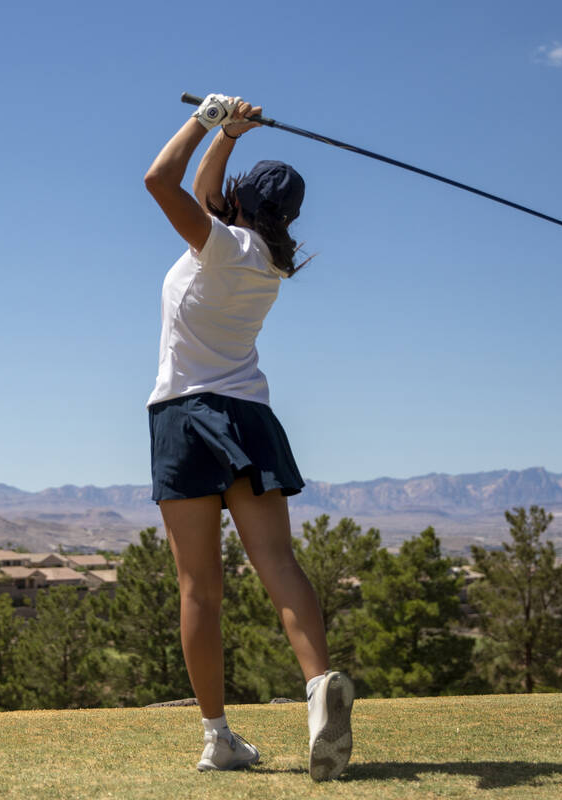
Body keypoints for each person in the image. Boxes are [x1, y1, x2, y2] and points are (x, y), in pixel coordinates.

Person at [143, 93, 354, 781]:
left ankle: (218, 736)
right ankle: (320, 686)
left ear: (241, 204)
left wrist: (203, 121)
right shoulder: (268, 262)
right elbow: (206, 193)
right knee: (280, 565)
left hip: (186, 417)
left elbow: (160, 182)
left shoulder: (220, 245)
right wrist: (231, 134)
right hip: (251, 418)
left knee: (199, 587)